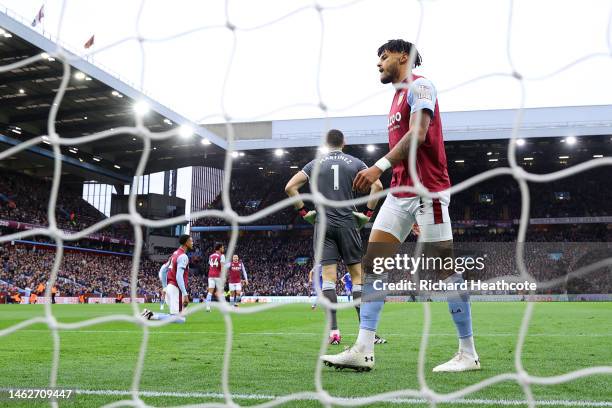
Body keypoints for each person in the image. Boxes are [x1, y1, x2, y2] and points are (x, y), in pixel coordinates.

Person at [321, 39, 479, 372]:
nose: (379, 62)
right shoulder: (395, 98)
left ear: (403, 57)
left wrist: (378, 166)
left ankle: (468, 353)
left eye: (384, 56)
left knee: (443, 269)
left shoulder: (421, 87)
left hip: (427, 191)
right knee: (373, 264)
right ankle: (363, 348)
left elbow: (419, 134)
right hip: (400, 193)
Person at [285, 129, 384, 345]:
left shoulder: (314, 164)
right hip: (348, 222)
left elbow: (290, 187)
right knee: (357, 278)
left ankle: (334, 333)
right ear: (344, 142)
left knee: (328, 279)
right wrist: (367, 214)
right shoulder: (356, 162)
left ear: (326, 143)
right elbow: (377, 185)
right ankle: (365, 334)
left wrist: (304, 213)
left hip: (323, 224)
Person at [141, 234, 193, 323]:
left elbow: (163, 270)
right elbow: (179, 276)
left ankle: (148, 314)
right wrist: (185, 294)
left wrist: (165, 287)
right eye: (191, 241)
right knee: (179, 319)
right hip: (176, 289)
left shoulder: (174, 254)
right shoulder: (183, 256)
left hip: (170, 288)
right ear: (186, 242)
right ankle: (151, 315)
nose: (192, 243)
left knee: (180, 314)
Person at [206, 243, 225, 312]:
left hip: (210, 275)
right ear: (219, 248)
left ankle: (208, 307)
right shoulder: (222, 256)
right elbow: (222, 267)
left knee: (210, 292)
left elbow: (210, 265)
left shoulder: (211, 256)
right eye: (222, 248)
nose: (223, 249)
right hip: (218, 276)